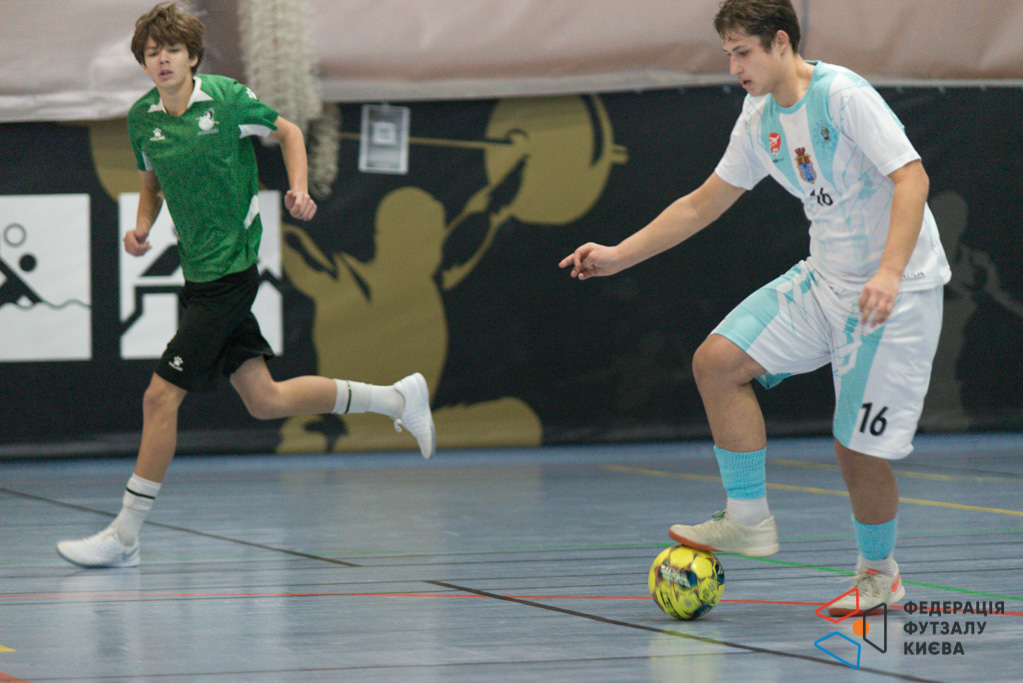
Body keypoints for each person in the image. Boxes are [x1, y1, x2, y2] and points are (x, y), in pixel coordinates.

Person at [560, 0, 950, 616]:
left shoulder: (843, 96)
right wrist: (618, 255)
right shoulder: (759, 117)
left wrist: (888, 272)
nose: (735, 67)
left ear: (781, 43)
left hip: (894, 293)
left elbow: (913, 178)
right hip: (826, 281)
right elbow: (702, 203)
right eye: (728, 55)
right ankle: (747, 518)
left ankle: (880, 575)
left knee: (856, 450)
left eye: (743, 52)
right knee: (717, 362)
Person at [56, 1, 436, 569]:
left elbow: (289, 133)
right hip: (198, 274)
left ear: (192, 56)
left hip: (231, 273)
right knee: (265, 400)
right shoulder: (142, 120)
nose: (163, 60)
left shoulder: (227, 99)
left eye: (173, 50)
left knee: (159, 397)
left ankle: (125, 535)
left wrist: (298, 188)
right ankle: (398, 399)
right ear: (144, 62)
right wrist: (141, 228)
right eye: (153, 53)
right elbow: (152, 183)